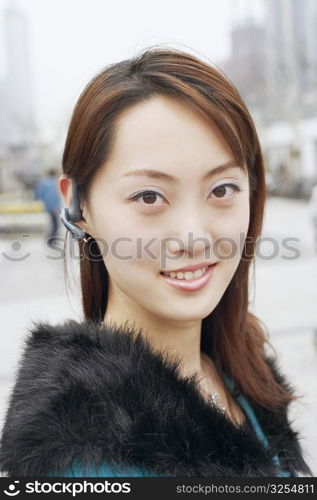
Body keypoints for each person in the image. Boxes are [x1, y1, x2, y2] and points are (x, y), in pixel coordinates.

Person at [0, 48, 313, 478]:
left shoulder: (239, 368)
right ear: (77, 205)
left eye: (222, 190)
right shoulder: (81, 450)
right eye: (149, 197)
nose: (193, 237)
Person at [34, 168, 61, 247]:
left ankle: (51, 239)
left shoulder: (44, 182)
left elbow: (39, 195)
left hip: (48, 206)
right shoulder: (52, 183)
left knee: (52, 223)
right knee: (55, 224)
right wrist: (56, 208)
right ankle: (52, 240)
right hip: (53, 207)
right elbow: (53, 197)